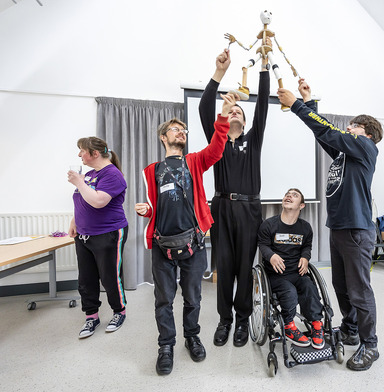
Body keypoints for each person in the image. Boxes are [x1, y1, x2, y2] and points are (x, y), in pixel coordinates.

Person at [277, 80, 383, 371]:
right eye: (348, 127)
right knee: (342, 286)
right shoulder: (345, 154)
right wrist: (308, 102)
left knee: (360, 290)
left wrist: (296, 106)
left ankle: (370, 344)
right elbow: (322, 134)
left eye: (353, 127)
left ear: (368, 134)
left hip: (357, 230)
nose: (348, 130)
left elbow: (330, 131)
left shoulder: (366, 148)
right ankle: (349, 329)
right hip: (339, 228)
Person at [135, 94, 232, 375]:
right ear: (163, 138)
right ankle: (166, 345)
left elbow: (216, 149)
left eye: (184, 131)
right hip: (162, 245)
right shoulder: (152, 171)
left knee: (193, 297)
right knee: (164, 299)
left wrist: (223, 116)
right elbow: (156, 206)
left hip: (194, 243)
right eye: (176, 130)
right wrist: (146, 211)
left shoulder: (194, 161)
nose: (182, 133)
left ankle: (192, 337)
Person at [199, 46, 269, 348]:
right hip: (222, 207)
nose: (236, 112)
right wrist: (219, 73)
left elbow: (264, 104)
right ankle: (224, 320)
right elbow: (204, 109)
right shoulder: (218, 143)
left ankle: (242, 320)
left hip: (250, 208)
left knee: (244, 267)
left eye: (240, 110)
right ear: (226, 119)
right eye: (232, 111)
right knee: (224, 266)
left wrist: (264, 69)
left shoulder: (253, 140)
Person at [68, 137, 128, 339]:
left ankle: (119, 312)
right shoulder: (90, 174)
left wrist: (79, 181)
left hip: (108, 232)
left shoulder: (113, 174)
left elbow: (99, 201)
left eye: (82, 151)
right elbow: (82, 200)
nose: (79, 155)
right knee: (86, 279)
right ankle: (91, 316)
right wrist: (74, 222)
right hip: (84, 235)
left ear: (95, 153)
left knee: (110, 277)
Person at [258, 188, 324, 349]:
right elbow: (263, 245)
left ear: (301, 206)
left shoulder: (305, 228)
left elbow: (307, 246)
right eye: (287, 194)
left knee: (309, 287)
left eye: (294, 195)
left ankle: (316, 324)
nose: (289, 196)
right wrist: (271, 255)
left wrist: (305, 257)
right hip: (276, 274)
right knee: (289, 292)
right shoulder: (269, 225)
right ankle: (289, 326)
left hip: (297, 272)